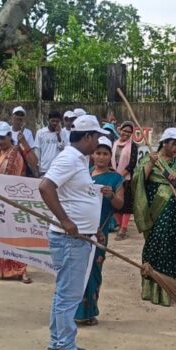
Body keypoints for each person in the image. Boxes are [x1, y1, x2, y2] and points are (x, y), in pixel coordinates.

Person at [39, 115, 105, 350]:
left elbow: (81, 195)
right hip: (69, 238)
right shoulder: (68, 158)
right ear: (87, 137)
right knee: (70, 295)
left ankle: (56, 342)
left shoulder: (79, 161)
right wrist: (65, 220)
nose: (98, 142)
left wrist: (95, 227)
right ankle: (66, 348)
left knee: (64, 292)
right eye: (96, 137)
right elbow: (46, 187)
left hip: (81, 236)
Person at [133, 128, 176, 307]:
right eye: (173, 143)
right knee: (157, 247)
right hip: (156, 215)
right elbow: (138, 180)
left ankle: (169, 289)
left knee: (175, 247)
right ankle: (151, 290)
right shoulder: (150, 159)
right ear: (164, 143)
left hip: (175, 215)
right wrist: (150, 164)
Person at [75, 136, 125, 326]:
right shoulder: (84, 175)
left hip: (100, 231)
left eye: (105, 154)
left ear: (110, 157)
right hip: (81, 228)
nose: (101, 157)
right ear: (93, 155)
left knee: (94, 270)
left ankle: (88, 312)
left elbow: (120, 205)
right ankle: (74, 310)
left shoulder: (115, 178)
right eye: (98, 153)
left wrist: (111, 195)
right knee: (78, 269)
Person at [0, 122, 35, 282]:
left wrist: (25, 144)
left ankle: (21, 268)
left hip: (16, 199)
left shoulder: (19, 152)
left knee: (17, 234)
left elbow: (34, 162)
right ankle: (1, 267)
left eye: (3, 137)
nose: (0, 141)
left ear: (9, 136)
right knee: (1, 233)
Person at [112, 122, 137, 241]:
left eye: (129, 132)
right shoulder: (114, 144)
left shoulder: (133, 146)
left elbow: (132, 164)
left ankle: (124, 228)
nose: (126, 134)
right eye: (124, 131)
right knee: (114, 203)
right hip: (113, 177)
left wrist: (120, 176)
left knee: (126, 204)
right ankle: (120, 224)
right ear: (119, 130)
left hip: (126, 179)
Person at [34, 111, 66, 177]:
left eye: (57, 121)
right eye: (52, 121)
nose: (55, 123)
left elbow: (63, 150)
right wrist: (37, 168)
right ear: (48, 120)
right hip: (43, 169)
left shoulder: (63, 133)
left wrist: (58, 135)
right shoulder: (40, 132)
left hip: (57, 169)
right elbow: (37, 151)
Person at [10, 106, 37, 176]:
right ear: (12, 117)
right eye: (17, 115)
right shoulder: (7, 130)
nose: (19, 117)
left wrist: (23, 142)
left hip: (23, 168)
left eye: (21, 116)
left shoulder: (28, 133)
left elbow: (32, 154)